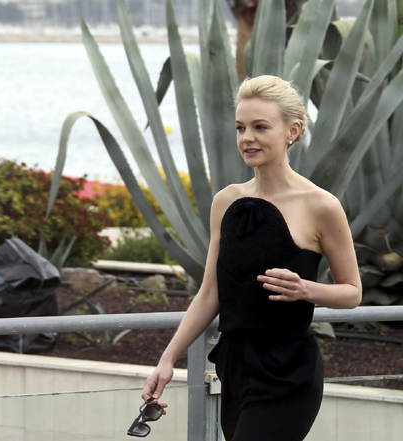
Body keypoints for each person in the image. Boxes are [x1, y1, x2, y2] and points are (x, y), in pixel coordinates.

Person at [140, 75, 362, 441]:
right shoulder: (226, 201)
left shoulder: (321, 206)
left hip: (289, 370)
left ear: (292, 131)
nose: (247, 138)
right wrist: (167, 360)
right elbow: (210, 293)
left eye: (260, 127)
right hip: (234, 367)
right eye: (241, 127)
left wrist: (306, 289)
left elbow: (352, 292)